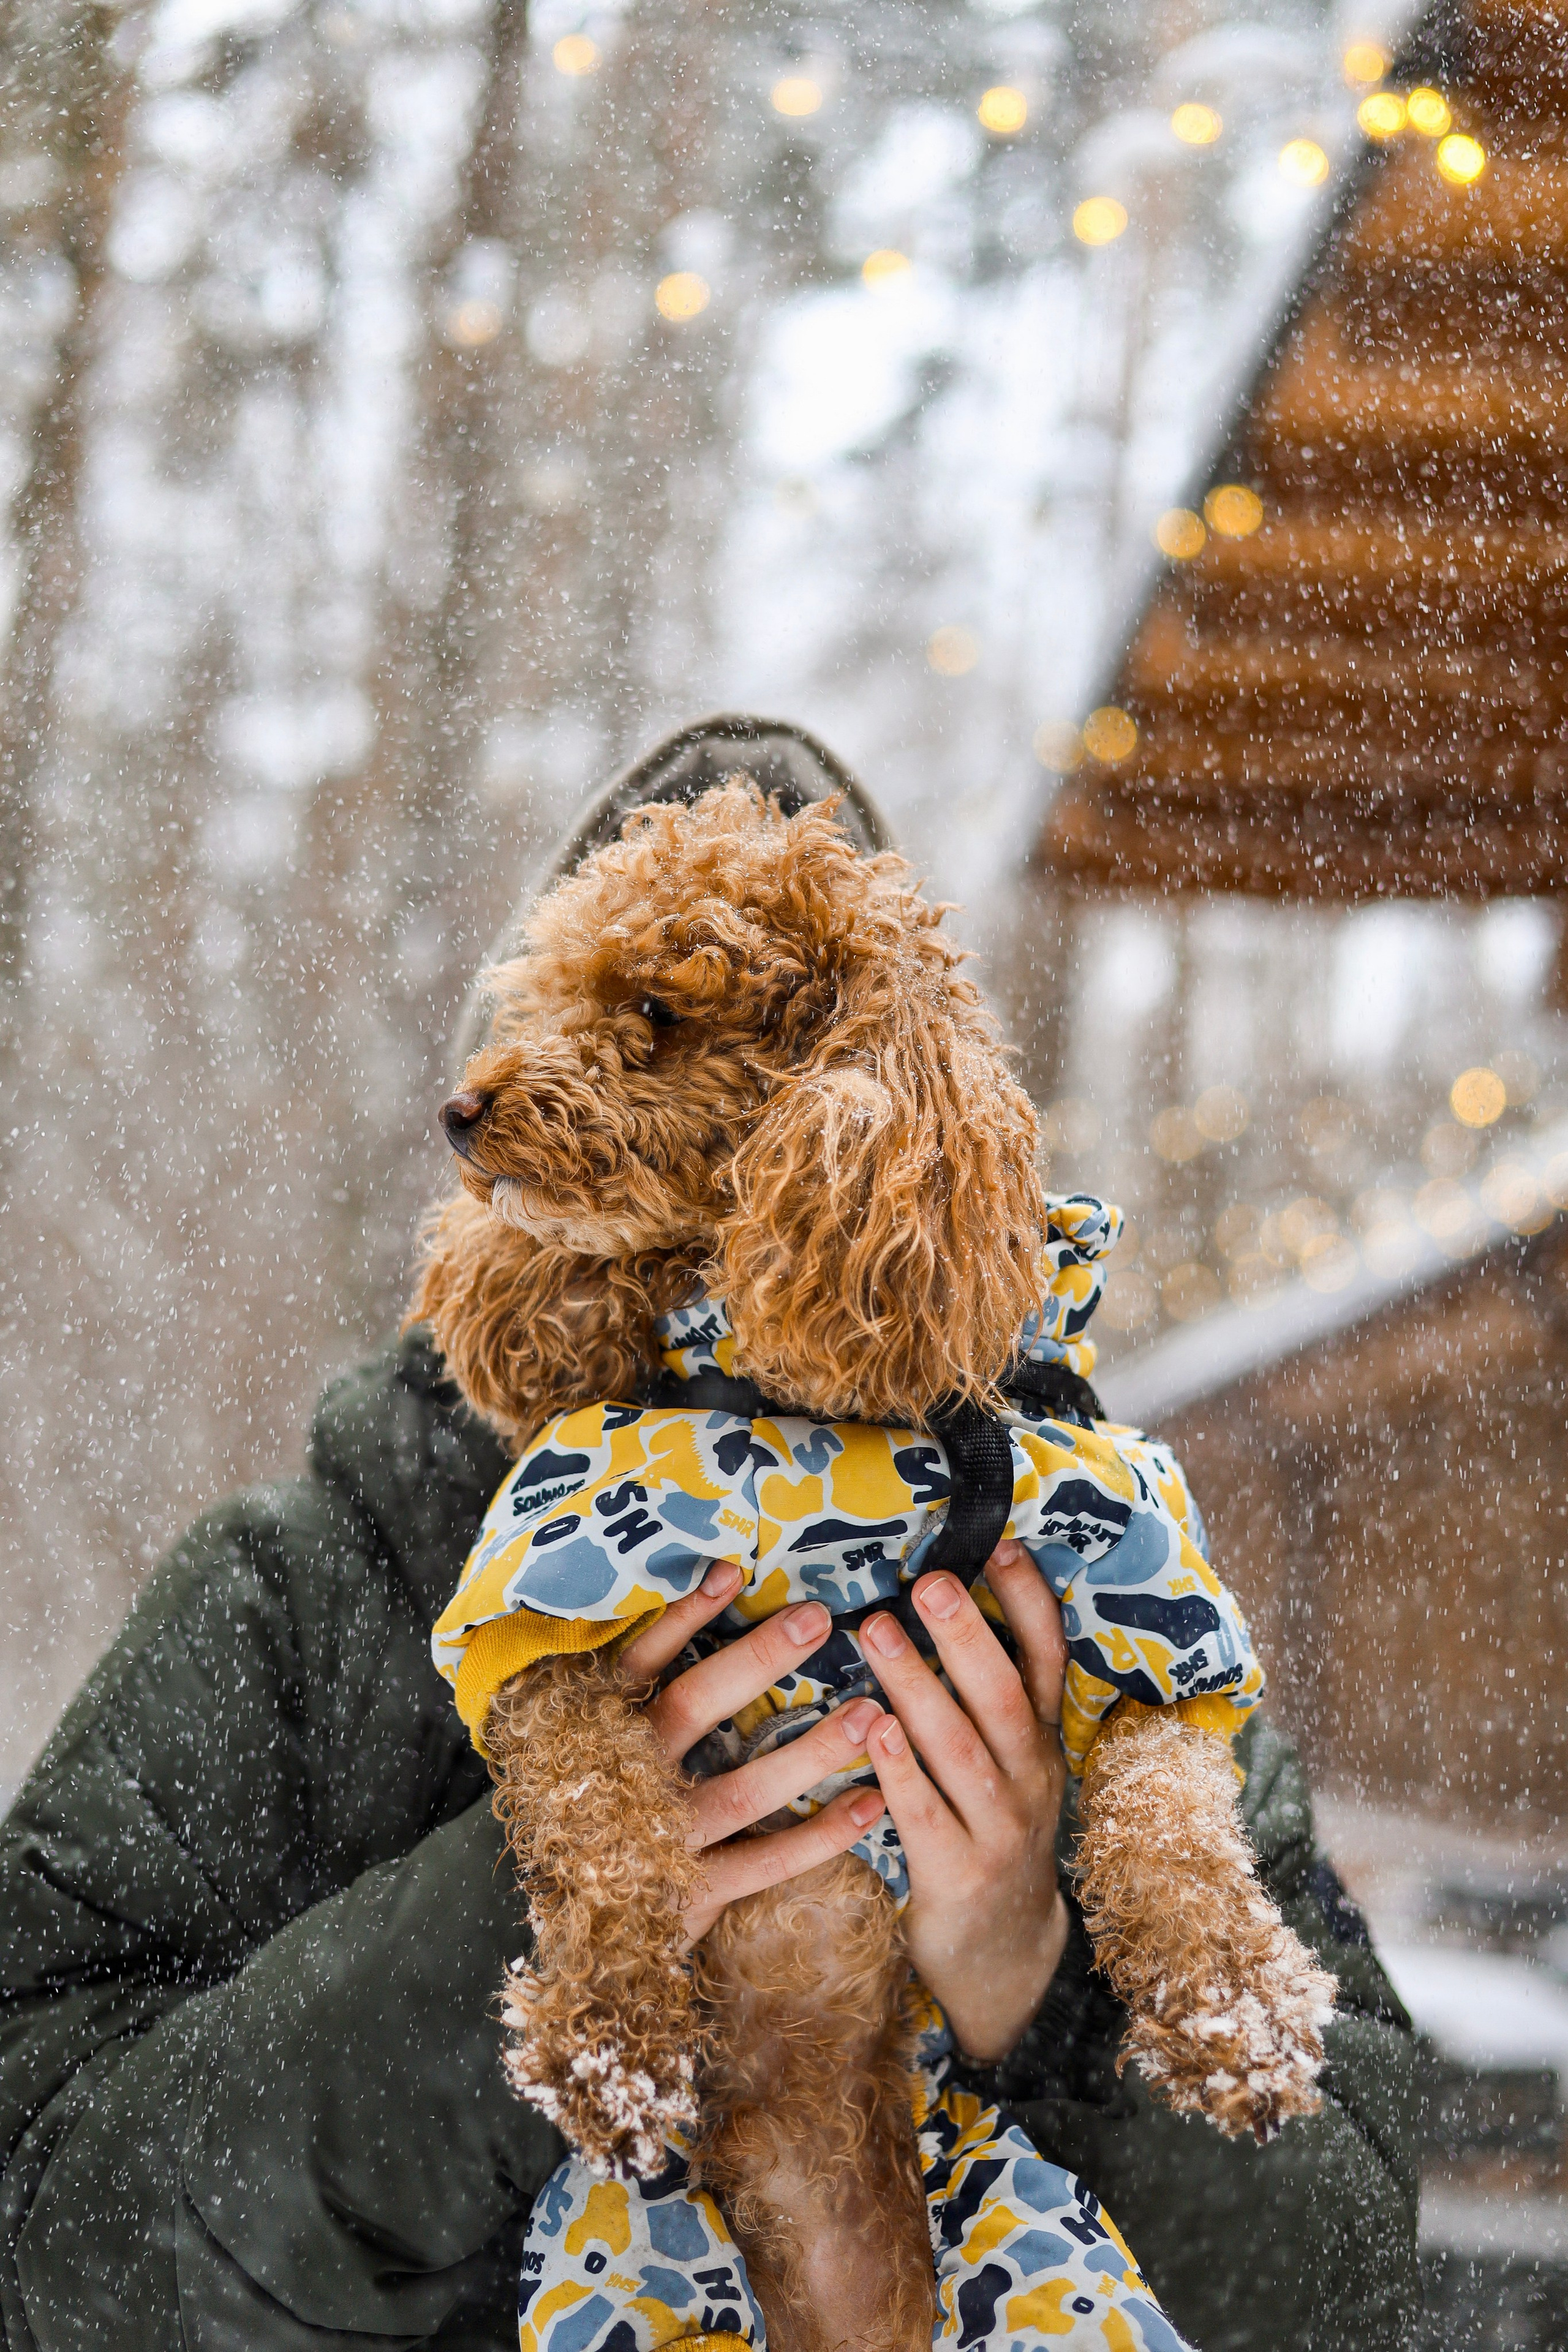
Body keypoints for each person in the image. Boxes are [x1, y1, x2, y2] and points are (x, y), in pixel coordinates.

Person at [0, 719, 1420, 2352]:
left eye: (655, 1030)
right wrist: (534, 1929)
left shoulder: (1069, 1551)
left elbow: (1355, 2293)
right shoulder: (313, 1587)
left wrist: (1047, 1984)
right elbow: (48, 2239)